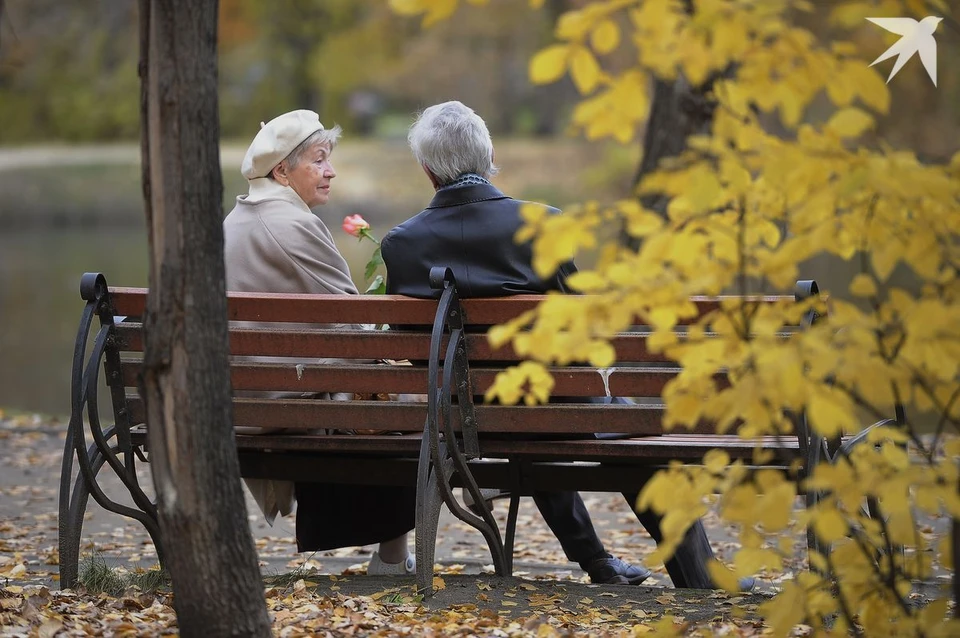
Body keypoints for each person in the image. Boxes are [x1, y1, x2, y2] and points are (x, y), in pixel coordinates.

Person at [381, 100, 754, 590]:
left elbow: (412, 348)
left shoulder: (400, 243)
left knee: (539, 425)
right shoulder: (542, 225)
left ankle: (599, 564)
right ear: (489, 155)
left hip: (459, 413)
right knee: (616, 426)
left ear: (428, 171)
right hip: (553, 399)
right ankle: (700, 575)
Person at [222, 109, 416, 576]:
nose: (330, 170)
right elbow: (352, 329)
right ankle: (392, 559)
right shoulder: (294, 224)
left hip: (240, 400)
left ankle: (389, 554)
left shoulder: (235, 220)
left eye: (329, 158)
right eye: (319, 159)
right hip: (286, 406)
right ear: (282, 171)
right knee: (405, 400)